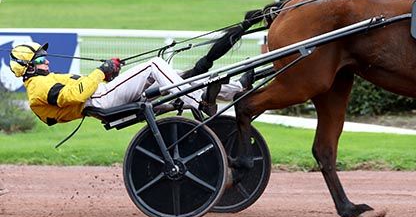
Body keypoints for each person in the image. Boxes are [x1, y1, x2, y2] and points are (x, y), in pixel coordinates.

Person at [9, 41, 252, 126]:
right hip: (101, 101)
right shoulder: (39, 89)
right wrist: (101, 72)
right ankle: (199, 103)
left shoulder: (43, 82)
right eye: (40, 59)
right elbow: (74, 96)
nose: (46, 61)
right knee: (155, 65)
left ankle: (236, 91)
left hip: (102, 95)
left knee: (174, 77)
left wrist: (108, 73)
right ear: (27, 66)